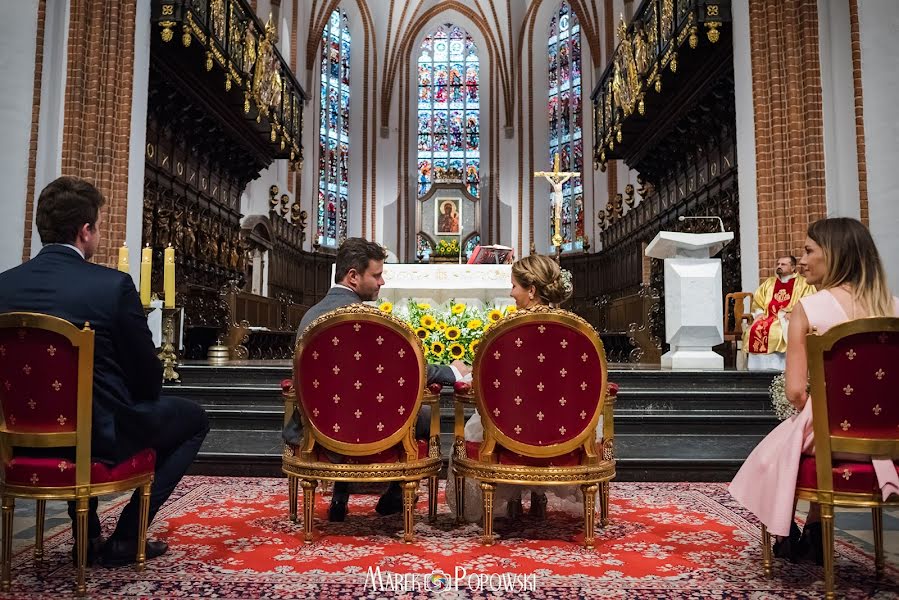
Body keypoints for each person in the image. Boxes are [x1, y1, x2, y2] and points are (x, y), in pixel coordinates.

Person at [0, 176, 209, 566]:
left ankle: (89, 531)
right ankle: (128, 536)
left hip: (22, 438)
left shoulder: (4, 286)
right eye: (97, 226)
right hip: (102, 436)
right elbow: (147, 372)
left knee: (82, 405)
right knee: (193, 420)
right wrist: (141, 397)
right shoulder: (111, 286)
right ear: (85, 230)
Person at [730, 217, 899, 563]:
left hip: (832, 435)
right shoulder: (895, 307)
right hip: (890, 436)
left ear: (835, 254)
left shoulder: (809, 308)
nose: (801, 260)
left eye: (808, 251)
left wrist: (823, 414)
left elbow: (794, 392)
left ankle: (784, 531)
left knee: (776, 447)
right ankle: (815, 528)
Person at [282, 237, 471, 521]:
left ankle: (340, 497)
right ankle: (395, 496)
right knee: (423, 417)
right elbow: (408, 368)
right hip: (374, 425)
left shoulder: (310, 317)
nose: (382, 282)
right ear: (353, 276)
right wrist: (453, 372)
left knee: (347, 405)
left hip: (318, 426)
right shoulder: (368, 321)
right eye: (377, 274)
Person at [448, 254, 593, 522]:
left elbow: (490, 381)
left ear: (531, 291)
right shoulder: (576, 332)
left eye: (514, 286)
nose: (510, 292)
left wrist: (465, 378)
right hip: (564, 426)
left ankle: (511, 498)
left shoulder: (507, 332)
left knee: (485, 420)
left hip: (512, 426)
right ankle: (536, 495)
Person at [742, 255, 816, 371]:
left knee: (779, 330)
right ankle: (758, 369)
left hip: (788, 318)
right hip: (768, 317)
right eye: (778, 264)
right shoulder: (769, 283)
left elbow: (809, 302)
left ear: (792, 268)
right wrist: (759, 313)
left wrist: (795, 313)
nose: (779, 266)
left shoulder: (803, 284)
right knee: (755, 329)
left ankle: (780, 368)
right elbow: (758, 300)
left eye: (783, 264)